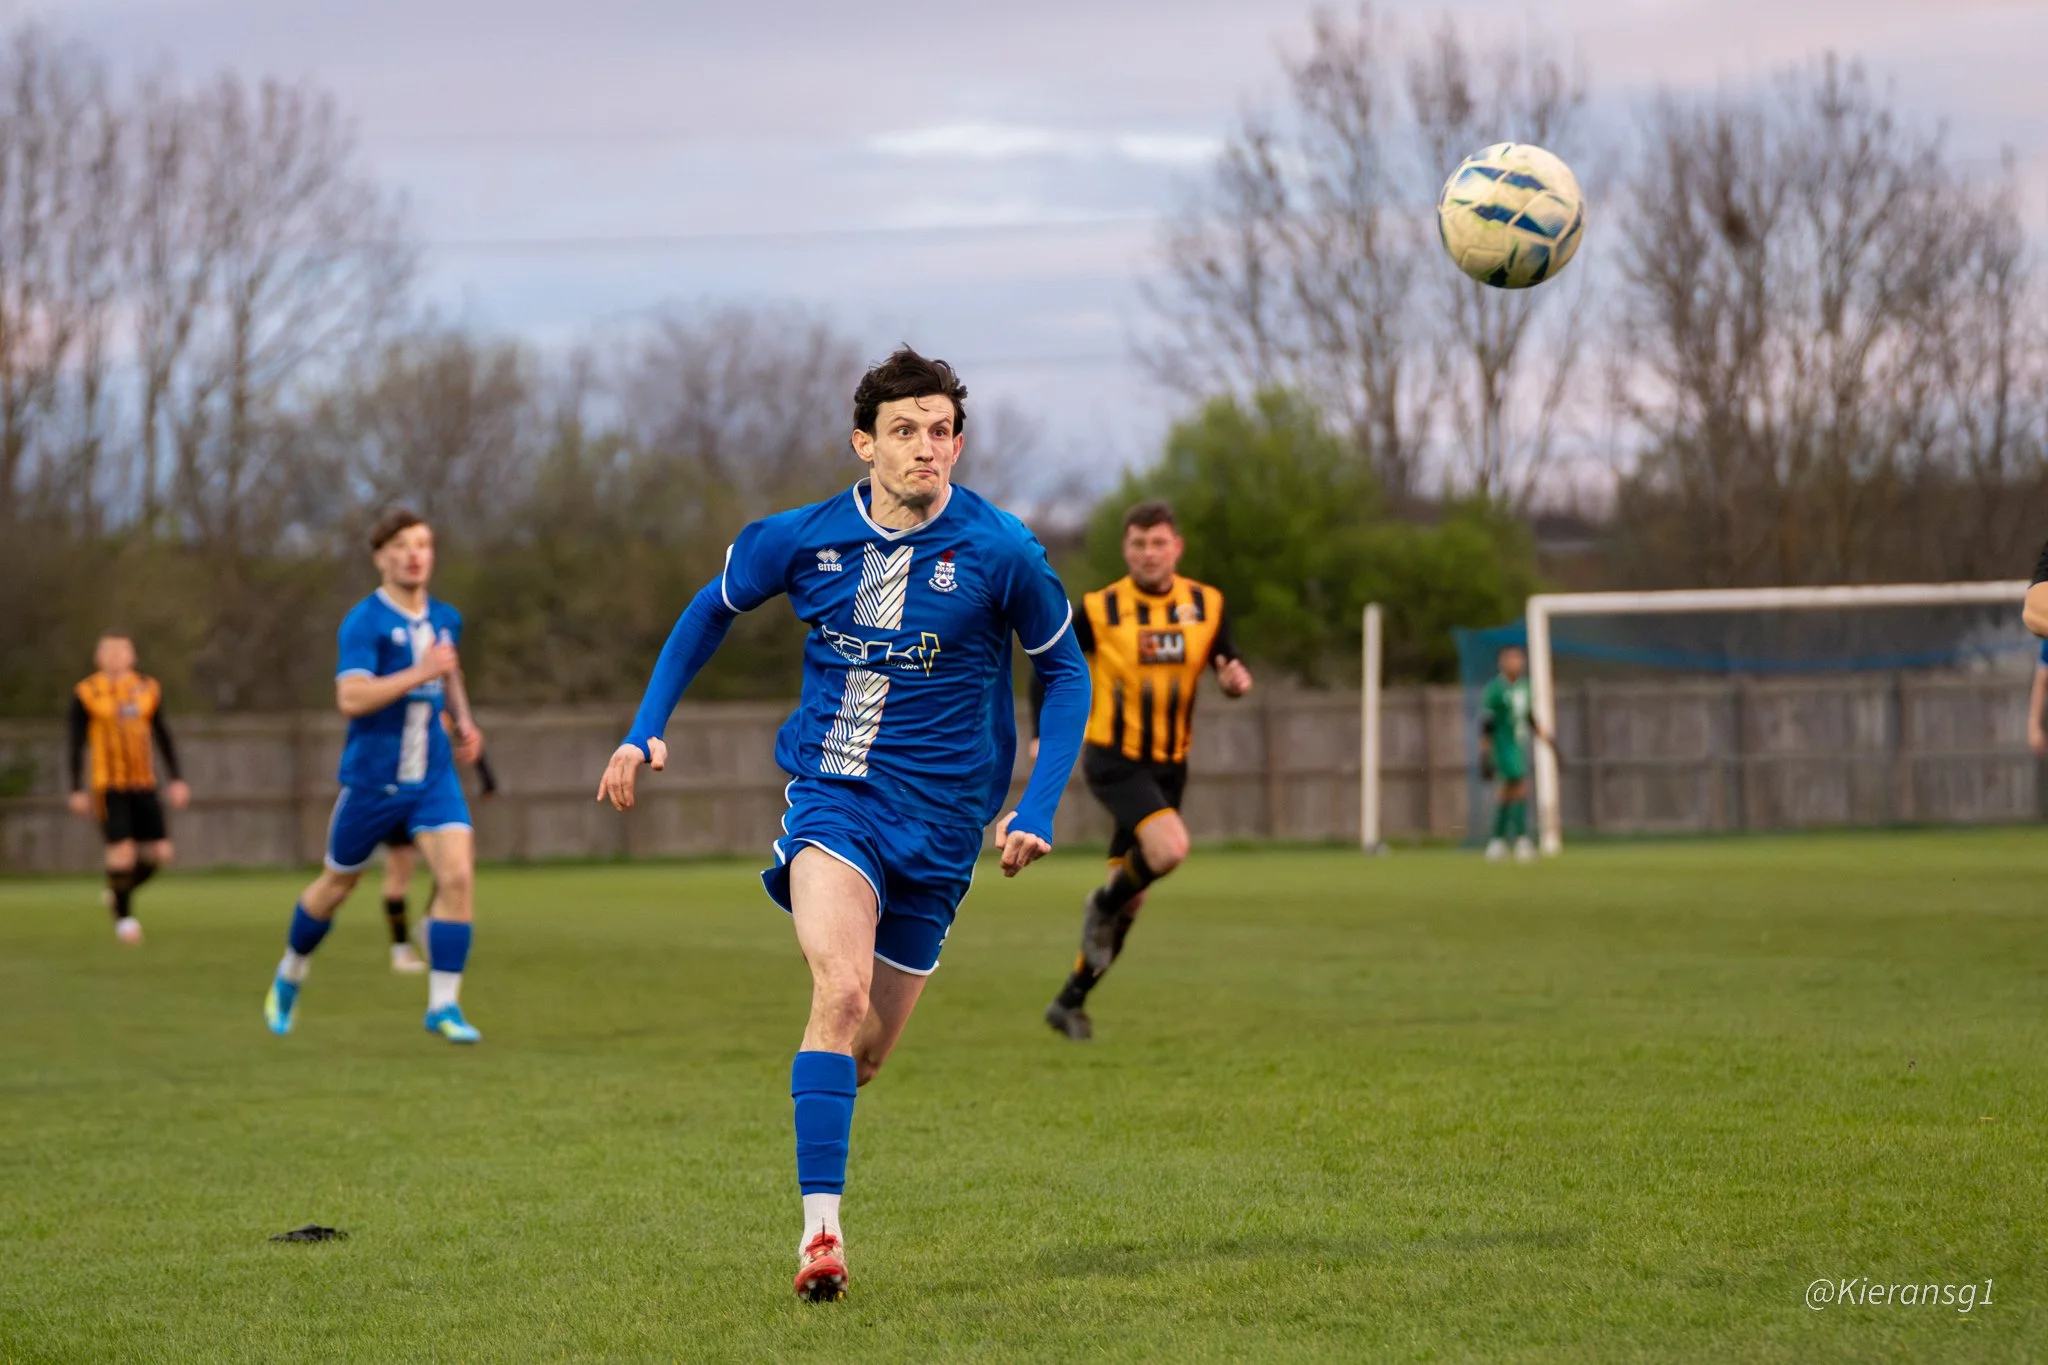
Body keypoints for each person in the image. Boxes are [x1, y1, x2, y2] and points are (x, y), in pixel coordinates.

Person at [595, 347, 1089, 1303]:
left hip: (946, 832)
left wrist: (1037, 803)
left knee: (863, 1054)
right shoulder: (802, 539)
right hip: (837, 799)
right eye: (904, 430)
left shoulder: (1001, 551)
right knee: (841, 985)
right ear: (864, 442)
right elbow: (709, 610)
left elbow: (1065, 673)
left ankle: (818, 1101)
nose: (926, 448)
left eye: (941, 431)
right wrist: (645, 728)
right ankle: (821, 1238)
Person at [262, 507, 487, 1043]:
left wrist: (465, 723)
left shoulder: (445, 617)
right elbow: (351, 697)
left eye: (424, 545)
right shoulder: (364, 622)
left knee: (456, 877)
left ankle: (443, 1007)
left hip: (432, 777)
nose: (415, 555)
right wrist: (420, 673)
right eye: (403, 545)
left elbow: (449, 669)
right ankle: (290, 972)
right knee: (337, 885)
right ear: (380, 557)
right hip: (373, 782)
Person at [1035, 500, 1253, 1042]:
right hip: (1115, 758)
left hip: (1170, 767)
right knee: (1169, 850)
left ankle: (1070, 1001)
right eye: (1138, 543)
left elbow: (1227, 661)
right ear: (1125, 549)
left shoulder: (1207, 604)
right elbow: (1049, 662)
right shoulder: (1101, 608)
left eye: (1158, 543)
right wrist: (1043, 729)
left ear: (1176, 547)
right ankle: (1100, 904)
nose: (1149, 553)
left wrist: (1233, 680)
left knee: (1134, 896)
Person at [67, 633, 191, 944]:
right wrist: (75, 788)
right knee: (122, 852)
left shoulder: (147, 689)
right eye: (109, 651)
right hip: (108, 784)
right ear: (99, 657)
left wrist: (176, 778)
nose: (116, 657)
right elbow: (75, 742)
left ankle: (118, 891)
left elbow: (162, 734)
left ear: (132, 656)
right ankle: (124, 920)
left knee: (160, 853)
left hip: (143, 782)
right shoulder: (87, 693)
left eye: (122, 651)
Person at [379, 743, 497, 973]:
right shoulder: (393, 717)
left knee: (454, 866)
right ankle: (401, 949)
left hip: (433, 799)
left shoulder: (445, 713)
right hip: (398, 797)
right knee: (399, 873)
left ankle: (430, 921)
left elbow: (470, 737)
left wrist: (486, 776)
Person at [1479, 644, 1548, 861]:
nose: (1516, 663)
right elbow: (1487, 726)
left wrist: (1549, 741)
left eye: (1519, 659)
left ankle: (1498, 841)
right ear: (1502, 662)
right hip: (1502, 746)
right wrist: (1485, 756)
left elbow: (1529, 717)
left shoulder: (1525, 687)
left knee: (1509, 791)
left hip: (1518, 746)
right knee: (1518, 787)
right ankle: (1519, 839)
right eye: (1511, 659)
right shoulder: (1495, 690)